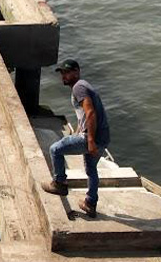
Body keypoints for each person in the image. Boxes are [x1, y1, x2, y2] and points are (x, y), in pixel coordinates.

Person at [41, 59, 111, 218]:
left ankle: (59, 184)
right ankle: (90, 204)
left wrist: (90, 140)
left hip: (92, 137)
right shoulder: (85, 85)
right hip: (103, 137)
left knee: (55, 150)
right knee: (91, 169)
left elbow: (90, 112)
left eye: (67, 73)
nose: (63, 76)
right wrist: (79, 131)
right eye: (62, 73)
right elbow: (84, 117)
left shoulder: (79, 87)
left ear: (76, 72)